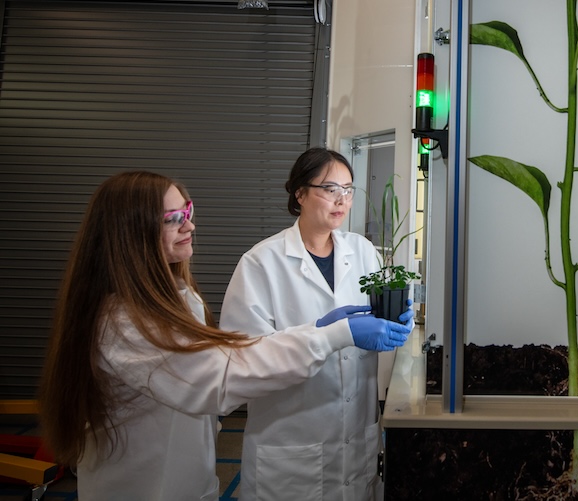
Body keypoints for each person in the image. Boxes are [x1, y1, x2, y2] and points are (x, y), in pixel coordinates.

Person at [37, 170, 412, 501]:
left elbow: (230, 355)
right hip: (144, 485)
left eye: (189, 212)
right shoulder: (122, 322)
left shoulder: (180, 296)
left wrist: (319, 329)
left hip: (192, 476)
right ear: (129, 233)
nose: (190, 226)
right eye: (173, 218)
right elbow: (221, 376)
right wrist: (333, 335)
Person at [220, 147, 414, 500]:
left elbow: (378, 320)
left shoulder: (363, 252)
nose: (342, 199)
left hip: (357, 442)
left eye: (349, 189)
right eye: (329, 189)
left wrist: (399, 319)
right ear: (300, 193)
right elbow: (241, 364)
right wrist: (324, 335)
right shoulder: (261, 263)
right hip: (291, 449)